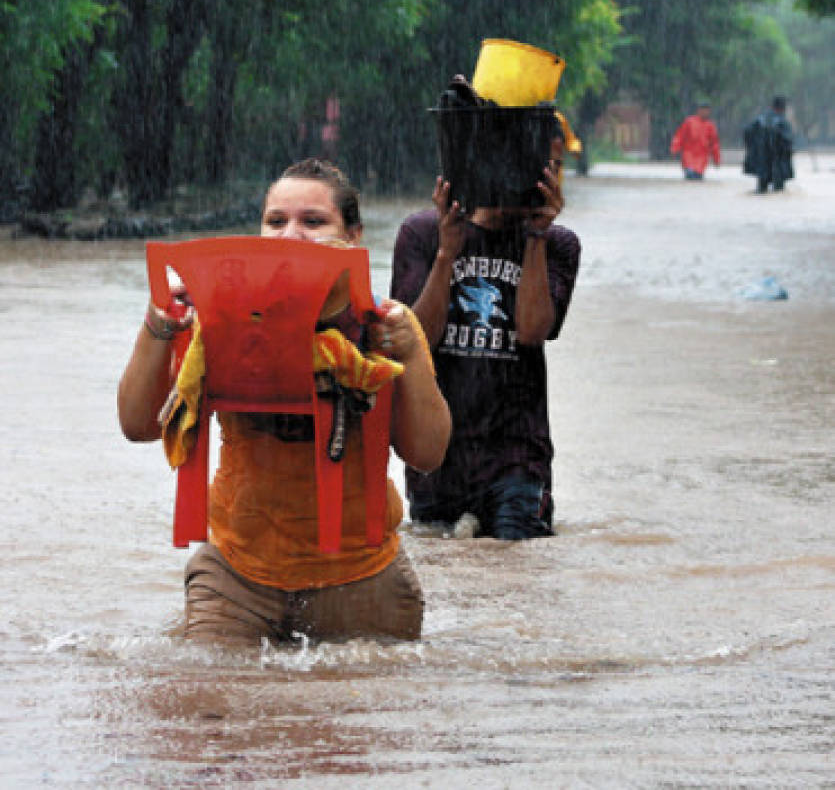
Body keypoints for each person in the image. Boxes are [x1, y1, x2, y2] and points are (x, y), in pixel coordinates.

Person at [118, 158, 451, 645]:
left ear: (352, 238)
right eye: (276, 222)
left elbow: (428, 454)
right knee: (205, 700)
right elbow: (137, 425)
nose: (290, 236)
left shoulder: (384, 327)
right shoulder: (212, 318)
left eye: (313, 222)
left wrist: (413, 352)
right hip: (236, 577)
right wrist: (160, 323)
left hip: (362, 578)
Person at [390, 118, 580, 541]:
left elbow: (531, 331)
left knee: (519, 578)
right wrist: (446, 254)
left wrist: (535, 236)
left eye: (552, 168)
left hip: (517, 455)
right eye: (535, 166)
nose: (543, 179)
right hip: (437, 456)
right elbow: (415, 341)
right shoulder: (422, 233)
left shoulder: (559, 244)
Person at [743, 96, 794, 193]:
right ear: (783, 108)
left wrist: (754, 150)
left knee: (761, 190)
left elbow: (747, 133)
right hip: (777, 162)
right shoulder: (782, 122)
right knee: (779, 192)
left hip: (762, 162)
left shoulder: (759, 119)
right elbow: (787, 141)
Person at [670, 103, 721, 180]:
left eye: (707, 111)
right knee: (690, 175)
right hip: (688, 157)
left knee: (697, 178)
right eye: (704, 110)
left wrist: (716, 159)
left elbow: (714, 144)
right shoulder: (689, 122)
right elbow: (679, 136)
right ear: (699, 111)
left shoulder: (710, 126)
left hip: (701, 160)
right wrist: (674, 149)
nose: (705, 113)